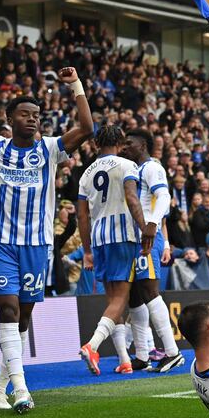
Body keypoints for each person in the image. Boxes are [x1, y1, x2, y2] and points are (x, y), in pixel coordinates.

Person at [0, 56, 93, 413]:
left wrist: (76, 86)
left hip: (38, 246)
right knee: (8, 310)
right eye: (25, 114)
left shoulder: (51, 149)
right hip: (2, 244)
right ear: (10, 120)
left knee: (22, 319)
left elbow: (87, 127)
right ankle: (23, 391)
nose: (32, 118)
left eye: (36, 115)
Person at [78, 125, 155, 376]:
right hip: (122, 236)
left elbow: (82, 215)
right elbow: (132, 198)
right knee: (121, 298)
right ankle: (92, 345)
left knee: (113, 300)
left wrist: (87, 249)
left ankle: (124, 359)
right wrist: (145, 228)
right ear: (120, 143)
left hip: (99, 238)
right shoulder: (126, 165)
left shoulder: (86, 173)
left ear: (97, 143)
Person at [119, 129, 184, 374]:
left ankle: (172, 352)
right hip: (136, 238)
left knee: (148, 290)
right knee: (136, 295)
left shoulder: (151, 167)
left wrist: (152, 225)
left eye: (129, 143)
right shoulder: (134, 169)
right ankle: (142, 356)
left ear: (143, 144)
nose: (125, 147)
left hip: (147, 237)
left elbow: (164, 196)